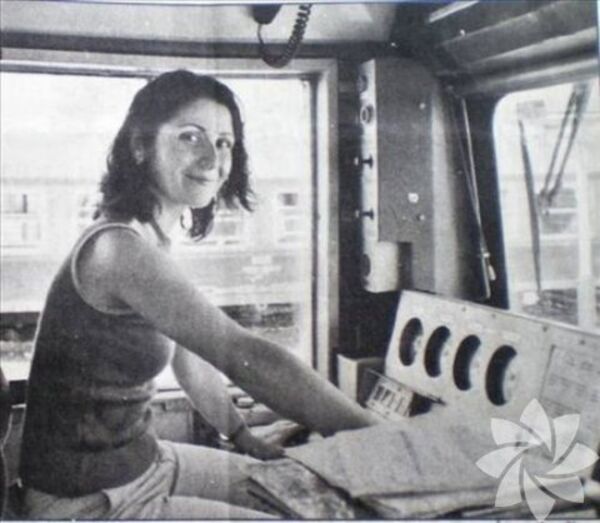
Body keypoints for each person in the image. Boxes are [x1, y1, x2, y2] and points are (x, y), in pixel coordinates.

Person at [19, 70, 376, 519]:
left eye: (224, 143)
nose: (212, 158)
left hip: (151, 464)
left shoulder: (150, 237)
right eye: (191, 137)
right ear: (141, 145)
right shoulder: (120, 249)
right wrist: (381, 436)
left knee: (327, 504)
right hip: (86, 504)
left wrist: (241, 435)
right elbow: (244, 354)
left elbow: (189, 357)